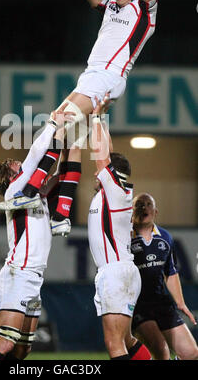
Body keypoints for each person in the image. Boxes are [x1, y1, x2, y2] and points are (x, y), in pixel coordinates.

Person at [5, 0, 157, 216]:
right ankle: (61, 213)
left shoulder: (144, 11)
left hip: (108, 77)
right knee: (67, 136)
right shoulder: (111, 5)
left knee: (57, 124)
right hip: (92, 75)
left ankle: (30, 190)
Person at [0, 107, 80, 361]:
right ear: (10, 175)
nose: (22, 163)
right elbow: (39, 154)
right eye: (17, 164)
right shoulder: (14, 191)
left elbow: (59, 172)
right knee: (5, 343)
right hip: (19, 273)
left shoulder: (35, 194)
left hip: (34, 276)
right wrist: (52, 125)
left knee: (23, 349)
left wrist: (68, 138)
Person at [87, 98, 151, 360]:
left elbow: (102, 158)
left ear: (114, 173)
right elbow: (107, 154)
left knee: (115, 345)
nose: (96, 172)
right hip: (122, 271)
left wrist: (93, 118)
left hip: (115, 273)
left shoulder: (115, 191)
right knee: (126, 339)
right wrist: (102, 118)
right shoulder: (116, 191)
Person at [131, 192, 198, 360]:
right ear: (131, 211)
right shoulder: (124, 238)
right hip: (138, 305)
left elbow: (171, 272)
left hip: (161, 303)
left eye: (148, 204)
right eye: (139, 204)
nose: (143, 208)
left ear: (155, 211)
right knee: (162, 351)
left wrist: (181, 303)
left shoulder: (165, 237)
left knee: (192, 353)